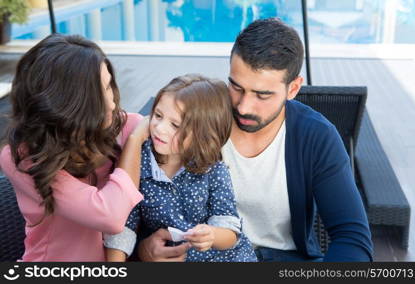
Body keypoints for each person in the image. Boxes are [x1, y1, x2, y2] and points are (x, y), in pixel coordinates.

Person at [136, 18, 373, 262]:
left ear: (293, 88)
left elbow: (351, 237)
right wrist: (143, 249)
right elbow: (149, 195)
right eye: (236, 87)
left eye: (262, 95)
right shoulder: (198, 120)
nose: (243, 106)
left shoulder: (316, 137)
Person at [0, 34, 149, 261]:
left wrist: (149, 247)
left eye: (108, 86)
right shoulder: (21, 158)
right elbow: (109, 215)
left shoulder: (127, 126)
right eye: (96, 96)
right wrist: (134, 143)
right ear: (65, 105)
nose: (111, 103)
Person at [104, 74, 257, 262]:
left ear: (203, 135)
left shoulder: (213, 168)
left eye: (175, 125)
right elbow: (124, 224)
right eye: (158, 115)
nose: (160, 128)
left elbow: (230, 229)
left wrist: (211, 235)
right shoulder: (140, 160)